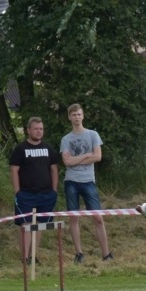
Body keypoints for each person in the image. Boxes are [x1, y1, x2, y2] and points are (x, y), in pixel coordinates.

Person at [61, 103, 113, 264]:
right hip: (71, 181)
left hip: (88, 181)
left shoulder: (92, 135)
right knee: (74, 218)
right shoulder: (66, 139)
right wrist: (85, 156)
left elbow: (97, 157)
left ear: (82, 116)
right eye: (73, 115)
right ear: (69, 117)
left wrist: (75, 160)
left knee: (98, 217)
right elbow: (67, 162)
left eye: (79, 114)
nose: (76, 117)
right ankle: (79, 253)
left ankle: (106, 254)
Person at [9, 117, 60, 264]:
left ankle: (33, 256)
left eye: (41, 129)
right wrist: (17, 191)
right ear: (29, 130)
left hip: (46, 194)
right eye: (36, 129)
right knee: (26, 225)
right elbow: (14, 170)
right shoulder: (20, 149)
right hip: (25, 194)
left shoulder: (48, 149)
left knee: (40, 225)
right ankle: (25, 258)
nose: (39, 131)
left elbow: (54, 170)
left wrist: (54, 190)